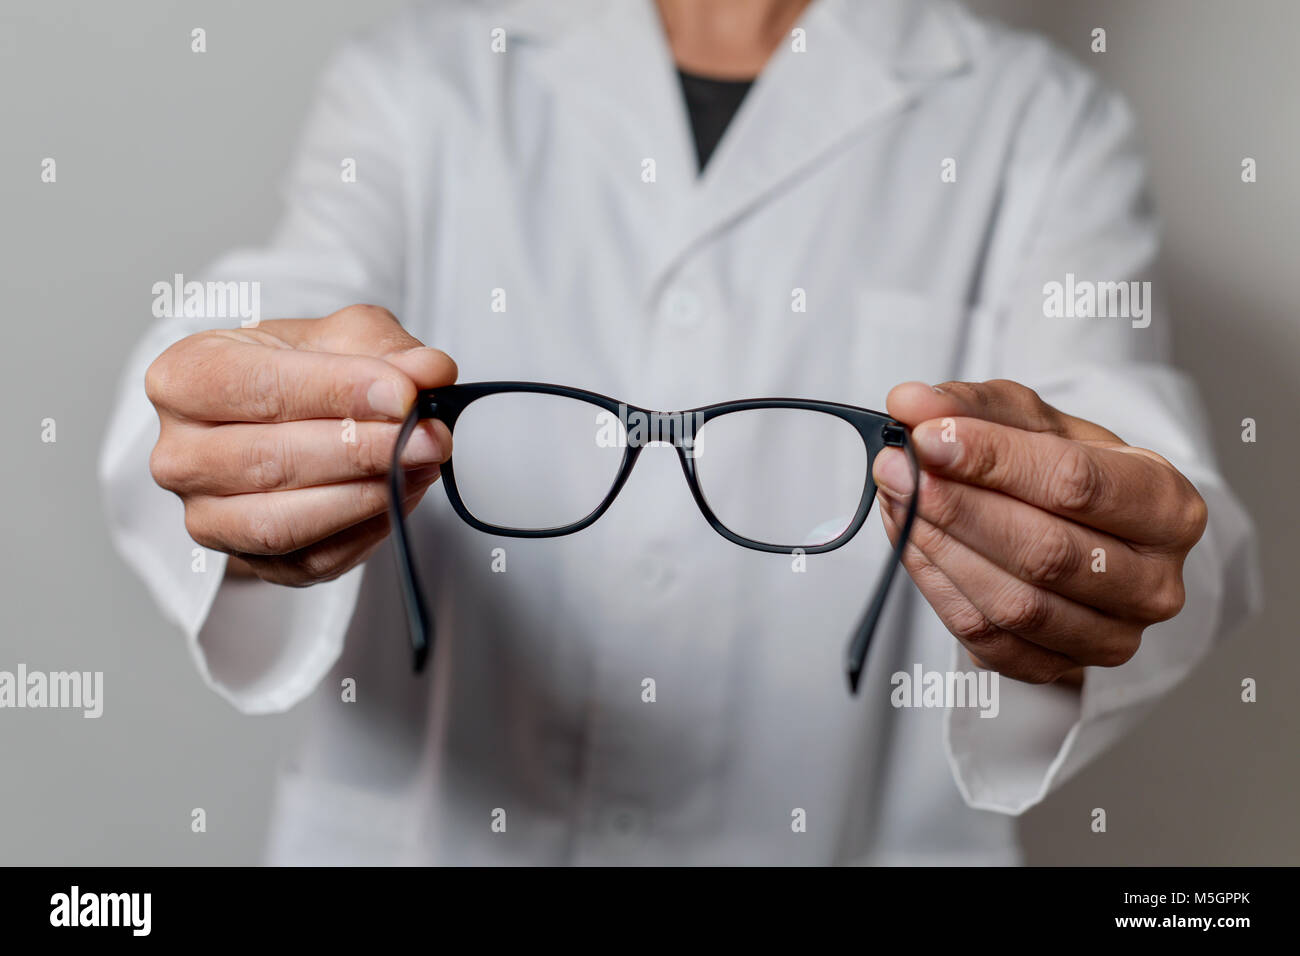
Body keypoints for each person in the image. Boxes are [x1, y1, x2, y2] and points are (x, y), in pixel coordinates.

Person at [100, 0, 1260, 864]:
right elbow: (256, 335)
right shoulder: (420, 79)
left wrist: (1112, 546)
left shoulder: (1043, 126)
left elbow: (1147, 471)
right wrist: (242, 429)